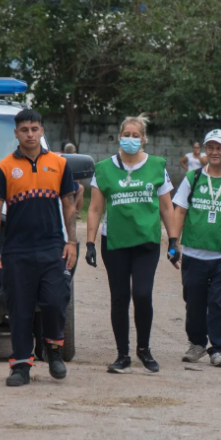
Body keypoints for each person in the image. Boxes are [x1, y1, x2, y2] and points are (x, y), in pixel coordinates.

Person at [0, 109, 78, 387]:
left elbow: (69, 205)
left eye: (34, 129)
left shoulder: (59, 164)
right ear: (16, 133)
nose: (30, 134)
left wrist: (72, 241)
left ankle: (53, 351)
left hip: (53, 247)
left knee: (55, 300)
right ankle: (21, 366)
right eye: (24, 130)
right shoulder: (4, 168)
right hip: (17, 250)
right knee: (20, 309)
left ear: (42, 131)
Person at [86, 116, 175, 374]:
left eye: (136, 135)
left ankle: (143, 349)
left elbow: (167, 207)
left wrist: (174, 241)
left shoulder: (157, 166)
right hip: (115, 242)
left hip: (146, 241)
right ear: (119, 137)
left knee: (143, 294)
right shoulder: (103, 169)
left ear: (144, 139)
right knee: (120, 297)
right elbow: (94, 209)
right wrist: (90, 243)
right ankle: (122, 355)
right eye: (127, 134)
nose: (131, 139)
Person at [169, 129, 221, 368]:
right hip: (194, 254)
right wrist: (173, 242)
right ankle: (197, 344)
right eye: (210, 147)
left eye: (220, 148)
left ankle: (218, 348)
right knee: (194, 302)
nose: (214, 152)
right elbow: (179, 211)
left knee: (220, 303)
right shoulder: (192, 178)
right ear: (205, 150)